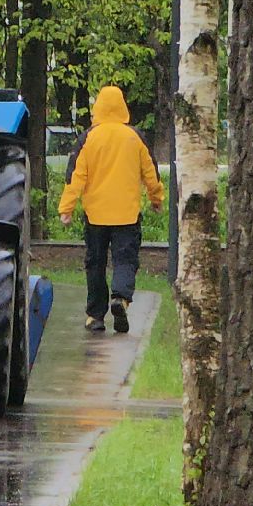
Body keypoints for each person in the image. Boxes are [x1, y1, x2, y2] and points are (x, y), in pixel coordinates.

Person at [57, 85, 163, 333]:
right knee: (125, 260)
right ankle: (121, 298)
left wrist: (67, 208)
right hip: (127, 215)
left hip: (96, 216)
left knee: (95, 263)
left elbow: (76, 176)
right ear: (123, 108)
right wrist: (156, 198)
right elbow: (150, 172)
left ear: (98, 109)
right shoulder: (134, 137)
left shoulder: (88, 138)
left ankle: (95, 316)